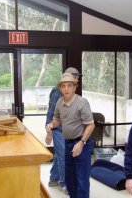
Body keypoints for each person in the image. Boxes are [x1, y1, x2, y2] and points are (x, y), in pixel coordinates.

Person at [46, 73, 95, 198]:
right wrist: (51, 125)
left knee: (82, 180)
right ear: (60, 88)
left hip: (82, 144)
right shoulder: (59, 102)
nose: (66, 89)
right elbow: (57, 119)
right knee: (70, 179)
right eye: (63, 86)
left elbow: (91, 125)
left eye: (69, 85)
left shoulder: (82, 103)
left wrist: (81, 142)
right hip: (68, 143)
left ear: (74, 87)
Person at [45, 67, 81, 195]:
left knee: (60, 156)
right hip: (58, 130)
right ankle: (64, 183)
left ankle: (53, 179)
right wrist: (48, 130)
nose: (77, 80)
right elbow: (51, 112)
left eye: (77, 78)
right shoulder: (57, 92)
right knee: (64, 157)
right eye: (75, 77)